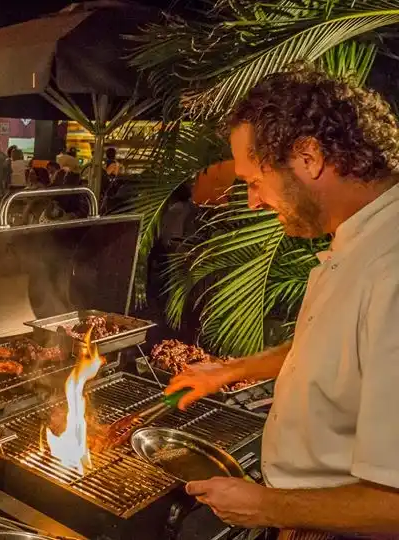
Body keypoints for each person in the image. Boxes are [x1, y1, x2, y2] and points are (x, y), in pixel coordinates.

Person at [165, 68, 399, 536]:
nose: (253, 202)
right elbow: (334, 350)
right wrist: (232, 370)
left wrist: (269, 507)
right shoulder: (360, 238)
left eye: (255, 181)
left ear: (308, 157)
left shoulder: (390, 270)